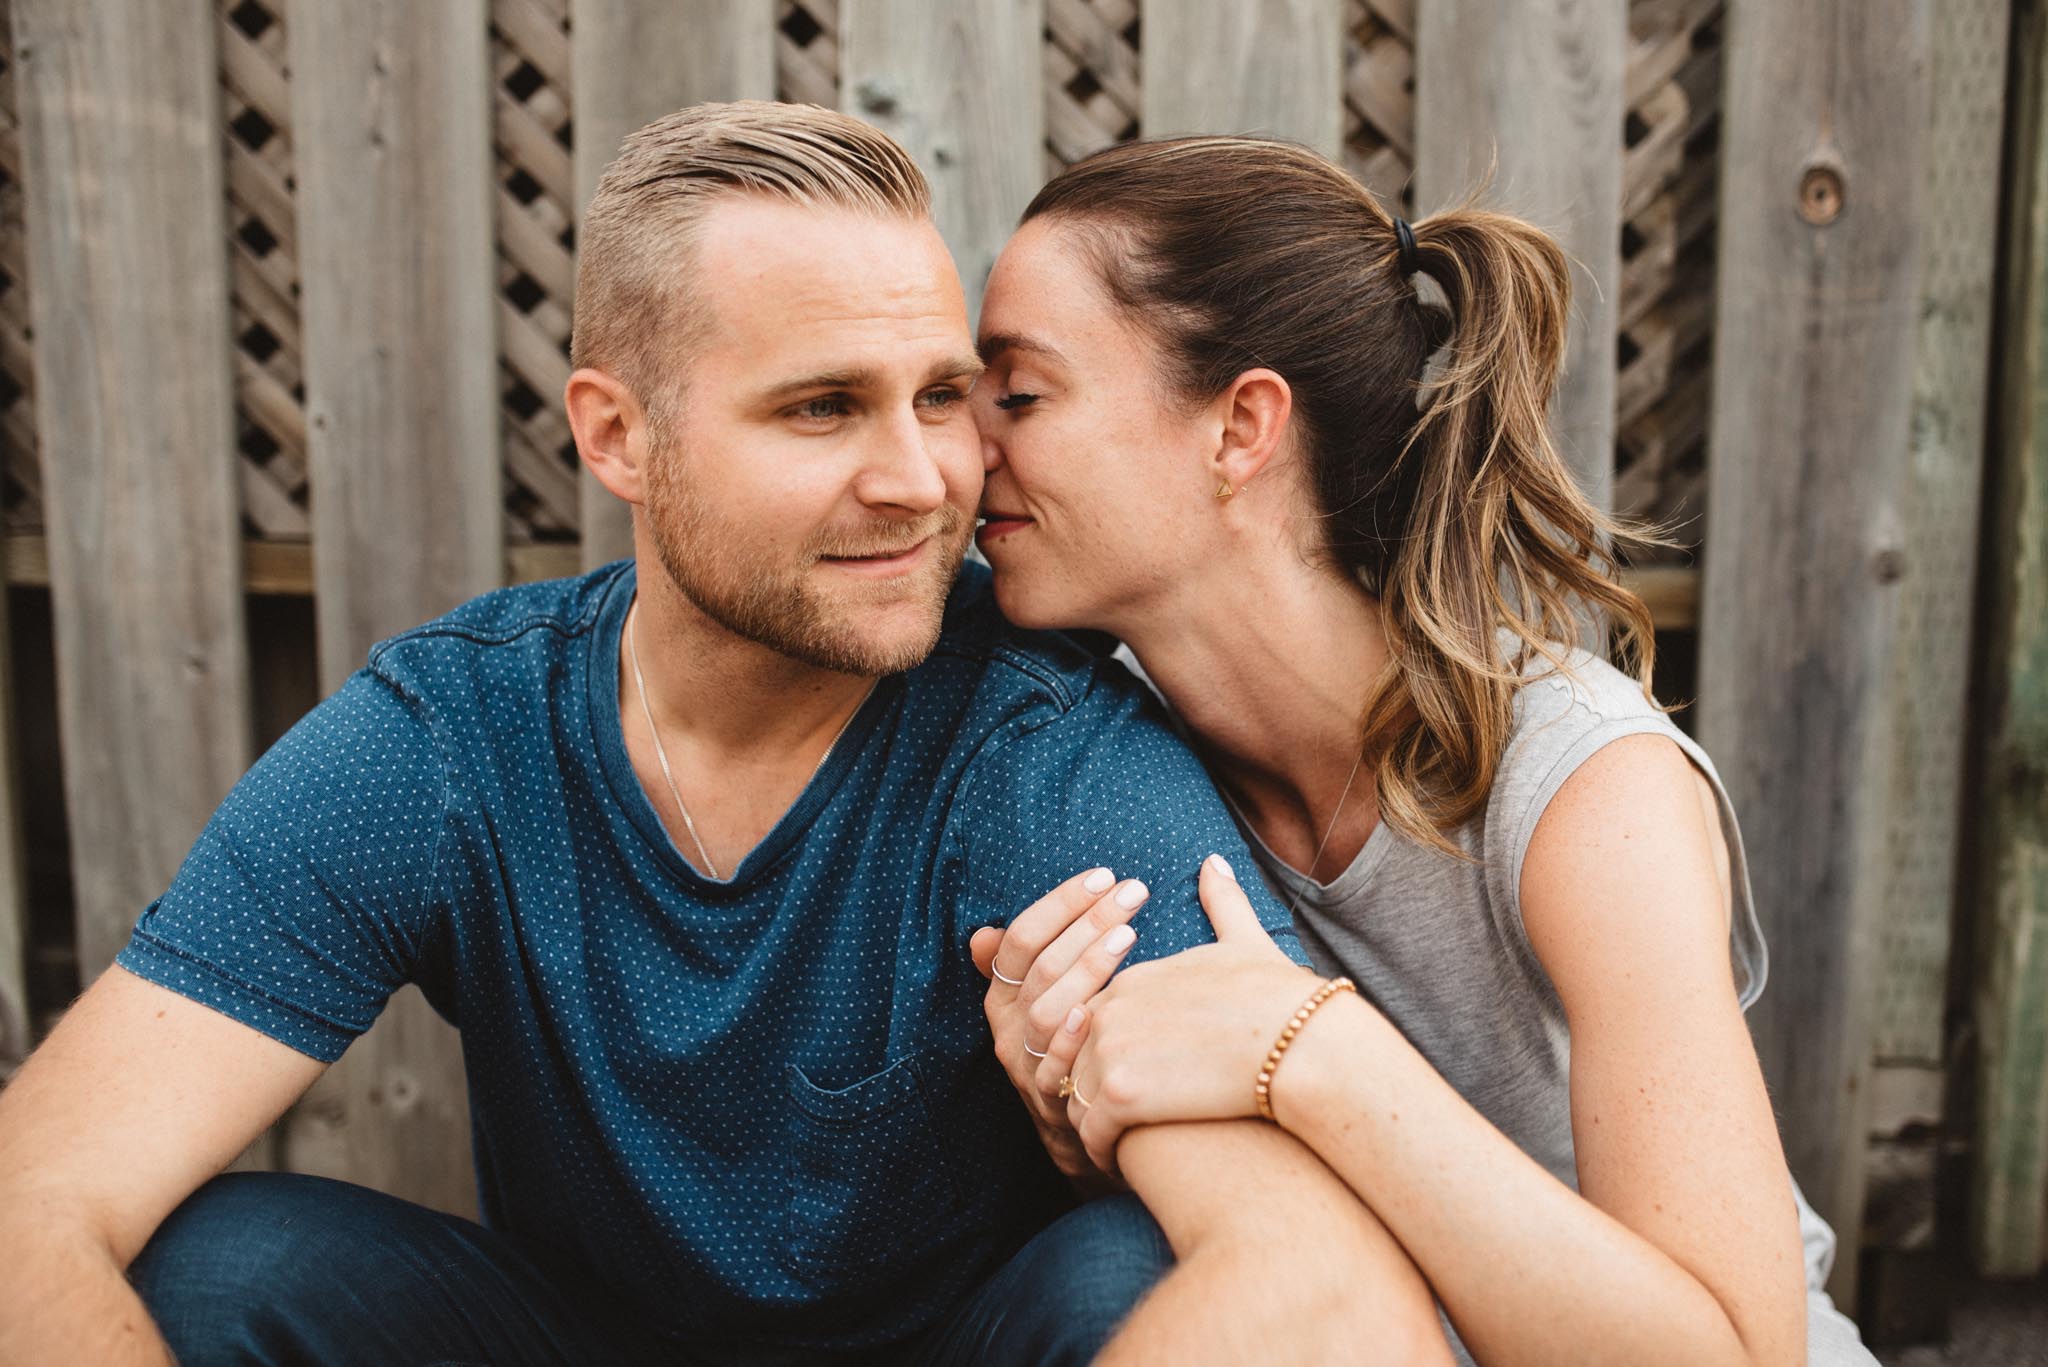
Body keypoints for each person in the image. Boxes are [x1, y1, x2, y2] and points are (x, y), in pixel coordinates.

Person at [0, 106, 1449, 1366]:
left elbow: (1323, 1293)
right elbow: (33, 1195)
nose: (920, 479)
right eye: (821, 407)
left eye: (942, 395)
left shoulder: (1035, 739)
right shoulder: (454, 742)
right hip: (576, 1338)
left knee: (1123, 1272)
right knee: (222, 1265)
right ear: (619, 435)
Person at [968, 135, 1881, 1366]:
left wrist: (1311, 1046)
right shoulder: (1112, 769)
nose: (961, 447)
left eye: (1017, 395)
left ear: (1240, 427)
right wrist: (1083, 1111)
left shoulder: (1581, 788)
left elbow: (1731, 1352)